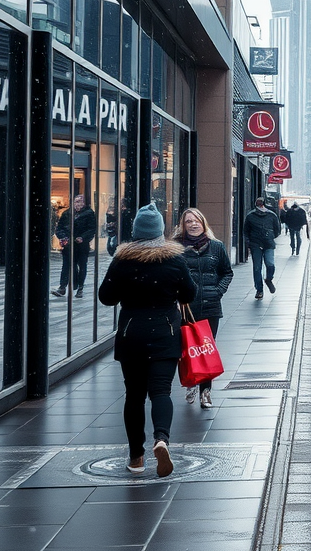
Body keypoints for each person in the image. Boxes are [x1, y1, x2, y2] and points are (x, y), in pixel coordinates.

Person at [98, 203, 196, 477]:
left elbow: (106, 298)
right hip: (165, 333)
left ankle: (136, 457)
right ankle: (161, 439)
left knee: (134, 396)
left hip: (132, 336)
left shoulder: (122, 260)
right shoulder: (175, 260)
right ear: (160, 232)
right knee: (161, 392)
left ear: (135, 232)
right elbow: (190, 293)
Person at [173, 208, 232, 409]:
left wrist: (218, 291)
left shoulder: (216, 247)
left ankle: (205, 392)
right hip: (184, 308)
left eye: (196, 220)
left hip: (210, 306)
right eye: (188, 221)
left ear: (203, 223)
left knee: (206, 349)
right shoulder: (175, 248)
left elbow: (227, 272)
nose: (193, 224)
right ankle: (191, 383)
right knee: (186, 349)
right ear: (183, 225)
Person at [53, 193, 97, 298]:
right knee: (66, 265)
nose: (78, 204)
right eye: (76, 202)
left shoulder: (89, 213)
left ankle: (80, 287)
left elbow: (91, 229)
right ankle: (62, 287)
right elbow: (60, 228)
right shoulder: (67, 213)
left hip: (81, 245)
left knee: (82, 266)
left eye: (80, 202)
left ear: (84, 203)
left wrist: (83, 237)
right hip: (69, 244)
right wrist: (63, 237)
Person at [242, 197, 281, 300]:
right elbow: (277, 230)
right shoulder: (270, 215)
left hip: (260, 243)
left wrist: (249, 242)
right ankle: (261, 287)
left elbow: (246, 232)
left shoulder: (252, 216)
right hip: (261, 243)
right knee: (263, 265)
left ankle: (264, 285)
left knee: (262, 266)